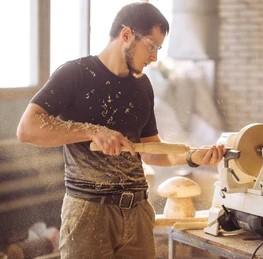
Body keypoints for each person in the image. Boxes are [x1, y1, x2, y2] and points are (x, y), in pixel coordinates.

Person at [16, 2, 225, 259]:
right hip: (89, 212)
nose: (155, 57)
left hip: (137, 211)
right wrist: (92, 131)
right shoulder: (76, 74)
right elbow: (27, 128)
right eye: (152, 45)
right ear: (126, 35)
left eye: (159, 49)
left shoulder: (142, 86)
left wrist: (192, 156)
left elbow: (151, 152)